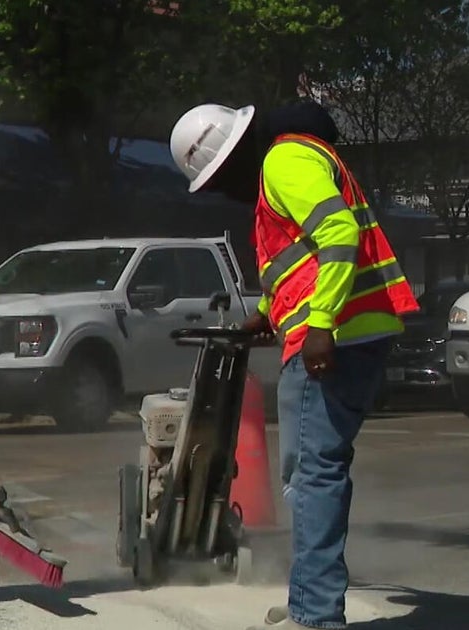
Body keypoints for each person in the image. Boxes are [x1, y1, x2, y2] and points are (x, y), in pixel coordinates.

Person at [169, 100, 419, 629]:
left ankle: (316, 612)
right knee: (310, 471)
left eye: (217, 179)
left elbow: (338, 235)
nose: (223, 192)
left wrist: (322, 322)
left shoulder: (283, 162)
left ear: (235, 155)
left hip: (334, 336)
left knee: (313, 474)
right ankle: (311, 596)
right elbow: (301, 259)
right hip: (354, 329)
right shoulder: (297, 161)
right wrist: (265, 313)